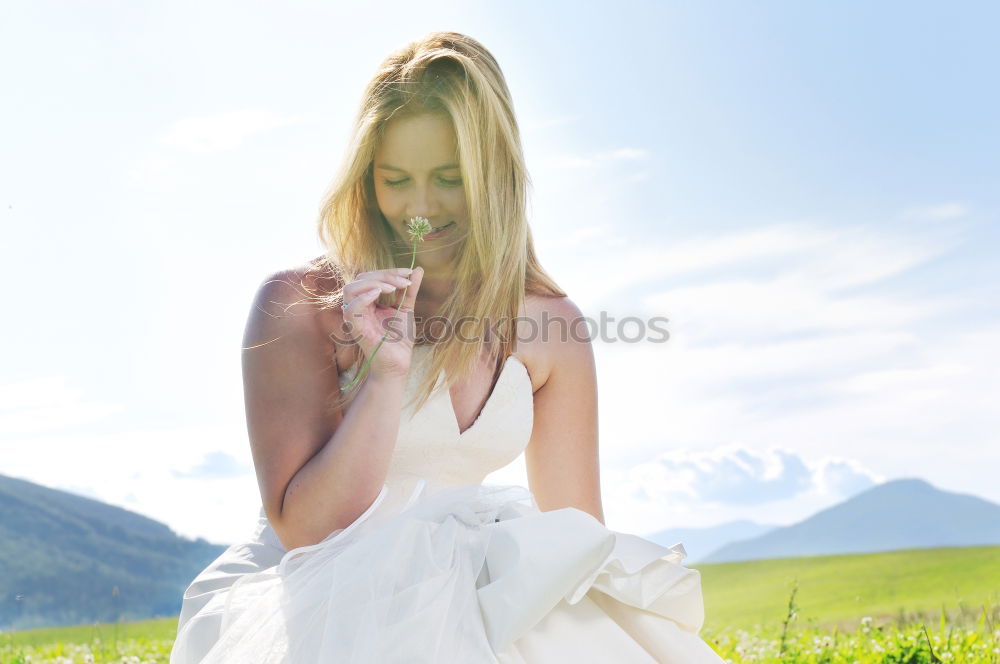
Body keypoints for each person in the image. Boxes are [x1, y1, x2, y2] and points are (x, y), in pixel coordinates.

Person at [169, 31, 725, 663]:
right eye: (395, 179)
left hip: (476, 583)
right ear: (364, 178)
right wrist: (384, 376)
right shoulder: (304, 303)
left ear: (497, 176)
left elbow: (576, 535)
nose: (421, 208)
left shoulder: (550, 323)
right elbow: (308, 531)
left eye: (450, 178)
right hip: (322, 603)